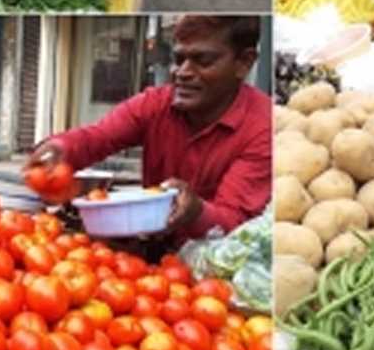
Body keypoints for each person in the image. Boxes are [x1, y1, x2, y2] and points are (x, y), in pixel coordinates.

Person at [27, 15, 270, 248]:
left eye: (202, 61)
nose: (182, 72)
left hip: (218, 266)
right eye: (179, 59)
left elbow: (234, 223)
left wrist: (196, 211)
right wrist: (59, 149)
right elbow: (98, 137)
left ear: (244, 63)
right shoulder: (155, 104)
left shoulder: (263, 127)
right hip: (150, 259)